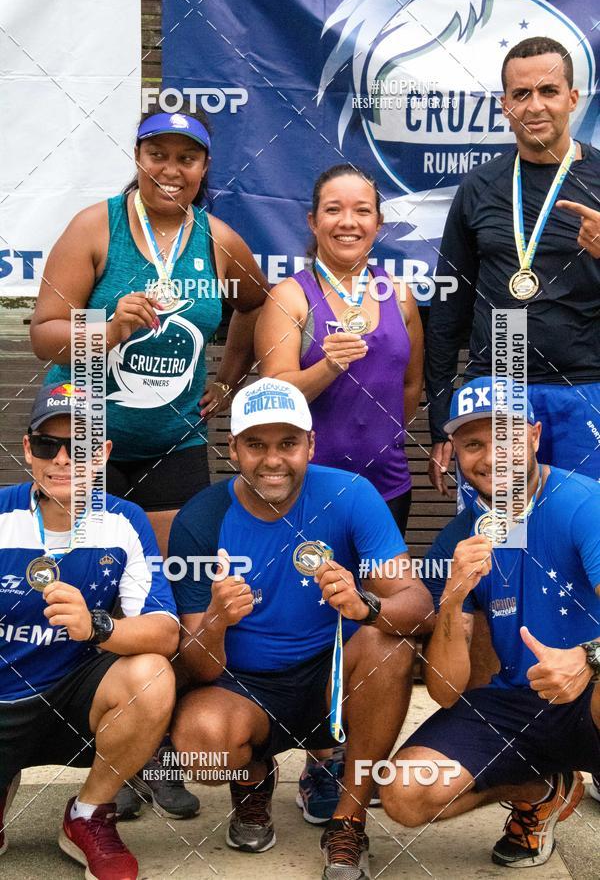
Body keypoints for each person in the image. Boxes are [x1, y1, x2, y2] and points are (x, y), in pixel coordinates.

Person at [168, 378, 434, 880]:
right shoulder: (200, 519)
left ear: (311, 444)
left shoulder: (352, 494)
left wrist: (366, 604)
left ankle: (348, 821)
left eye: (288, 443)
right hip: (243, 686)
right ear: (234, 449)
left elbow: (419, 606)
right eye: (256, 444)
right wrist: (219, 620)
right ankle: (252, 781)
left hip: (330, 674)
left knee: (388, 646)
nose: (272, 460)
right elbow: (196, 665)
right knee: (203, 753)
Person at [381, 376, 600, 869]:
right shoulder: (458, 538)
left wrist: (588, 658)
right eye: (474, 444)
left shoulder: (585, 503)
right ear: (455, 452)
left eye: (505, 437)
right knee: (405, 793)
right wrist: (455, 597)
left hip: (590, 692)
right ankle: (543, 790)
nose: (491, 456)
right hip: (516, 703)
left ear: (535, 437)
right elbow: (444, 690)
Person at [30, 106, 268, 556]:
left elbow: (255, 304)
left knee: (168, 582)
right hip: (81, 439)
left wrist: (227, 381)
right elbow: (44, 335)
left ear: (204, 166)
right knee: (80, 579)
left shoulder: (218, 240)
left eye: (186, 158)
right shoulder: (96, 227)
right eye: (157, 154)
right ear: (137, 156)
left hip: (171, 445)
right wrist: (110, 328)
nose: (170, 170)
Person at [0, 384, 180, 879]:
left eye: (78, 446)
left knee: (151, 676)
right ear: (27, 450)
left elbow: (165, 632)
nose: (62, 459)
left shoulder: (124, 522)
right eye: (46, 445)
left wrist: (97, 626)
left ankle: (87, 814)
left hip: (74, 700)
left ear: (101, 453)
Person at [426, 37, 600, 501]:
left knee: (587, 536)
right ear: (505, 105)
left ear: (573, 98)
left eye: (549, 91)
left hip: (585, 389)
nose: (536, 105)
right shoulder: (479, 186)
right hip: (496, 389)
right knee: (499, 541)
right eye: (522, 94)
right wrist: (441, 419)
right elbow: (447, 310)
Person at [255, 163, 423, 536]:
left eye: (362, 211)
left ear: (378, 223)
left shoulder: (399, 294)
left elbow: (410, 387)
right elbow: (275, 398)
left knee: (380, 593)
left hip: (388, 485)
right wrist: (328, 367)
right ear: (314, 222)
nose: (348, 222)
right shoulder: (290, 297)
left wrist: (379, 439)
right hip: (308, 489)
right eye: (334, 210)